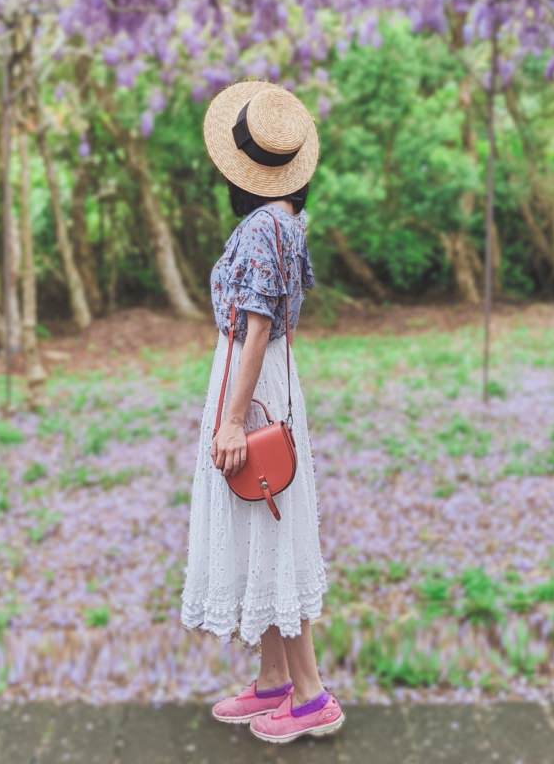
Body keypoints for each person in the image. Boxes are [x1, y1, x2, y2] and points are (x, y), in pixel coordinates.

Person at [179, 79, 345, 744]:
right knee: (261, 522)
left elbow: (254, 332)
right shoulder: (284, 222)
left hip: (255, 386)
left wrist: (230, 420)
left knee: (270, 524)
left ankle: (310, 695)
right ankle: (275, 679)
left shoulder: (260, 230)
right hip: (272, 381)